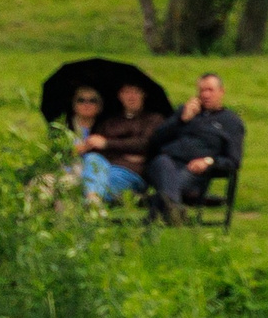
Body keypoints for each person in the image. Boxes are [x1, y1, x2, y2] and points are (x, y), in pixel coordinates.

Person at [141, 72, 245, 224]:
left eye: (210, 90)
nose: (205, 95)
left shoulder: (231, 122)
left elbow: (234, 161)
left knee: (167, 189)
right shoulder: (186, 111)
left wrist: (209, 161)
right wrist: (181, 119)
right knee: (163, 163)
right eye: (202, 90)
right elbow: (155, 140)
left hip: (194, 171)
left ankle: (161, 212)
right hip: (165, 163)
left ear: (221, 92)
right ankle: (174, 209)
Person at [80, 81, 164, 204]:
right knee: (92, 158)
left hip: (130, 171)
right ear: (120, 96)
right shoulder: (109, 122)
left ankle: (92, 201)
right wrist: (124, 153)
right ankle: (94, 201)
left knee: (103, 185)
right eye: (127, 92)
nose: (131, 96)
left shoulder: (153, 120)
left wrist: (107, 144)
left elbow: (145, 144)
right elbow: (95, 147)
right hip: (104, 167)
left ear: (143, 95)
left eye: (135, 92)